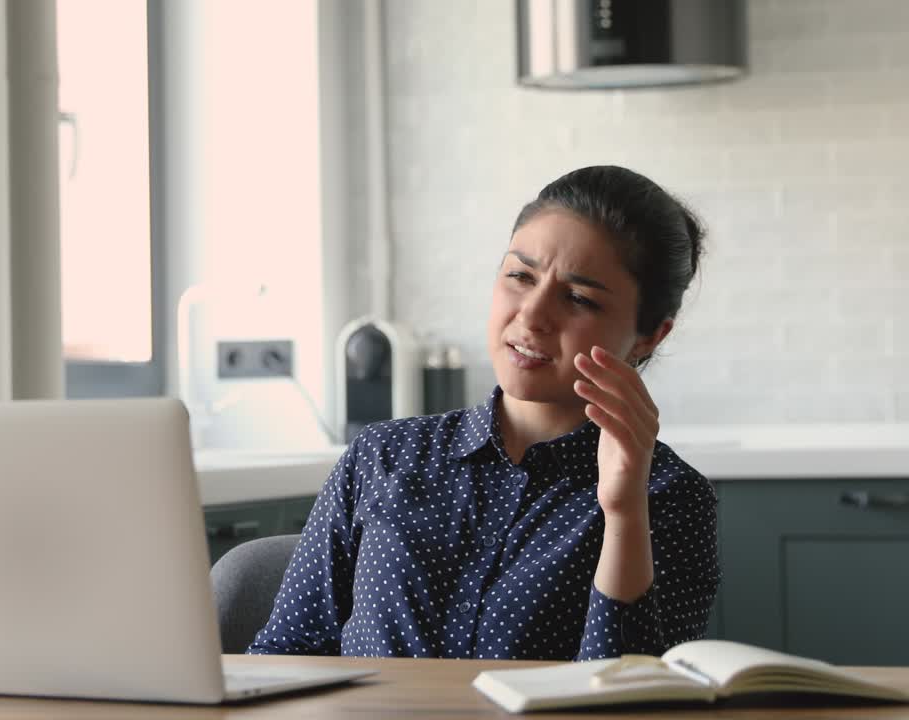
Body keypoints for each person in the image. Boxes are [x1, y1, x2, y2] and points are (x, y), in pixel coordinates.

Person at [248, 165, 719, 660]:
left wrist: (623, 512)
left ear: (649, 335)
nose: (532, 315)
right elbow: (286, 655)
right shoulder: (381, 455)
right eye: (520, 276)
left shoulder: (670, 497)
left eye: (578, 298)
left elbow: (634, 702)